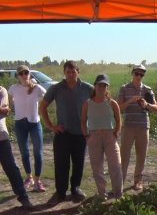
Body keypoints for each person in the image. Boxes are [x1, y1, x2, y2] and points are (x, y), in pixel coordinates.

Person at [39, 60, 94, 203]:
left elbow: (101, 102)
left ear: (78, 72)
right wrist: (51, 126)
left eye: (73, 71)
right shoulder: (56, 88)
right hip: (62, 133)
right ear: (64, 72)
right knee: (61, 164)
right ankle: (60, 192)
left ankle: (75, 188)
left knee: (78, 163)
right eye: (68, 72)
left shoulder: (88, 88)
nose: (71, 74)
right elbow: (43, 106)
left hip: (80, 133)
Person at [81, 74, 123, 199]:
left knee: (115, 165)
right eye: (99, 85)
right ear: (95, 86)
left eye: (104, 85)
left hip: (110, 135)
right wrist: (86, 136)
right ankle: (102, 194)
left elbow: (119, 120)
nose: (101, 87)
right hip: (93, 136)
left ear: (107, 88)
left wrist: (116, 133)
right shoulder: (87, 104)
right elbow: (83, 121)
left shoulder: (112, 103)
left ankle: (118, 194)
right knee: (97, 167)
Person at [117, 64, 157, 191]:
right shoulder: (124, 88)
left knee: (141, 155)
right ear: (132, 73)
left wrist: (146, 105)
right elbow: (118, 108)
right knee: (124, 155)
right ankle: (120, 181)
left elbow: (156, 108)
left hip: (143, 125)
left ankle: (138, 180)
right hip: (128, 126)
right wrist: (131, 101)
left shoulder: (147, 90)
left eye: (142, 74)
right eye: (137, 73)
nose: (139, 76)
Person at [8, 65, 47, 192]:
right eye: (21, 74)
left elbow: (47, 98)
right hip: (20, 123)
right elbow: (8, 102)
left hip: (35, 123)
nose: (24, 75)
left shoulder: (36, 88)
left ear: (29, 74)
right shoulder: (13, 88)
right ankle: (29, 177)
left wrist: (41, 109)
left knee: (38, 152)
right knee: (24, 152)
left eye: (26, 73)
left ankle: (37, 180)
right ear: (18, 76)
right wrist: (12, 110)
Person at [0, 85, 33, 209]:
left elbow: (4, 111)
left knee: (11, 168)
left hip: (1, 137)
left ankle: (23, 196)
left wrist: (3, 110)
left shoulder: (1, 90)